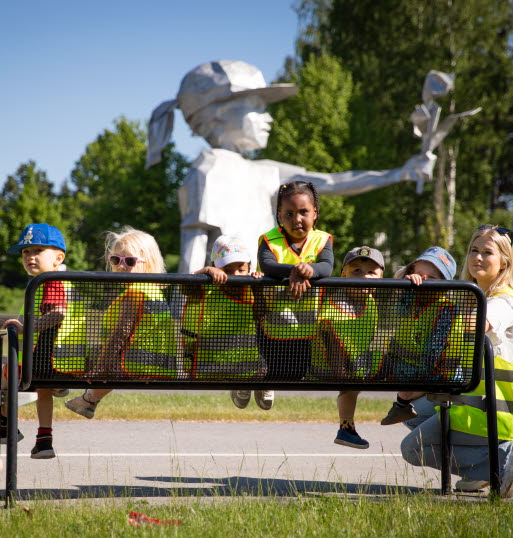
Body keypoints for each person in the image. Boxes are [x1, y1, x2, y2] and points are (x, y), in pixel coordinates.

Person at [145, 61, 476, 274]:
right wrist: (182, 313)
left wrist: (400, 172)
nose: (268, 118)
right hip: (227, 297)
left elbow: (331, 181)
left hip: (264, 295)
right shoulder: (209, 170)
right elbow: (193, 250)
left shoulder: (264, 170)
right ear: (218, 113)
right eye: (257, 107)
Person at [399, 225, 513, 497]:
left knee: (411, 448)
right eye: (474, 250)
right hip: (474, 406)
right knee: (412, 410)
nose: (478, 257)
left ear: (504, 262)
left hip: (499, 414)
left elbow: (472, 325)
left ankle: (499, 462)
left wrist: (438, 307)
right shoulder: (475, 298)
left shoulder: (504, 302)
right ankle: (477, 474)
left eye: (487, 252)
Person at [0, 224, 85, 460]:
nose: (30, 256)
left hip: (45, 363)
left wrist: (26, 328)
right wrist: (7, 323)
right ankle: (44, 440)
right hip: (59, 362)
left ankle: (4, 425)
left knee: (5, 375)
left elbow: (57, 314)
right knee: (42, 390)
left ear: (58, 258)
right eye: (25, 252)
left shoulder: (51, 282)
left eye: (38, 250)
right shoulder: (52, 283)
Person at [64, 227, 175, 419]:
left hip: (134, 363)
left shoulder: (135, 294)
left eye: (129, 261)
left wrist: (101, 366)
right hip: (158, 364)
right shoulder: (153, 291)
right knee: (100, 351)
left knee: (95, 353)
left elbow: (121, 333)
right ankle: (88, 399)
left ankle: (71, 390)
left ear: (149, 263)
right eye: (115, 260)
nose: (121, 266)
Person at [254, 181, 334, 409]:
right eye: (289, 214)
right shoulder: (269, 240)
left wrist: (310, 269)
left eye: (303, 212)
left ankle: (260, 382)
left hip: (305, 327)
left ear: (315, 213)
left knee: (296, 374)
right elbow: (267, 264)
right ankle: (253, 381)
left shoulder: (322, 240)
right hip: (272, 324)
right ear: (279, 215)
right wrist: (295, 271)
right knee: (273, 367)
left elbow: (327, 266)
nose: (297, 219)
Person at [311, 246, 385, 449]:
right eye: (357, 271)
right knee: (388, 364)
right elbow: (333, 345)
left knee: (390, 358)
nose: (364, 277)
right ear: (343, 274)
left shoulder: (370, 303)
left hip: (352, 364)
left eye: (371, 272)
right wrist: (344, 375)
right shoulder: (336, 307)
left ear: (381, 277)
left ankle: (347, 428)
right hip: (329, 367)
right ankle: (347, 426)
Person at [181, 235, 265, 408]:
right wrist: (205, 271)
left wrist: (259, 289)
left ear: (249, 268)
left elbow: (262, 316)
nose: (235, 276)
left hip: (248, 367)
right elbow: (185, 286)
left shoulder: (252, 288)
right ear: (215, 268)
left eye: (241, 269)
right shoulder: (207, 287)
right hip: (210, 365)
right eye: (227, 270)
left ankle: (251, 386)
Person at [379, 246, 457, 424]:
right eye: (419, 275)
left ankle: (402, 403)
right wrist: (406, 288)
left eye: (432, 278)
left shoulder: (445, 308)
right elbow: (397, 312)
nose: (424, 280)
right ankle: (402, 404)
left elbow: (436, 348)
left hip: (431, 372)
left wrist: (423, 376)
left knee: (409, 398)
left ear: (444, 284)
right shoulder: (410, 301)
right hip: (401, 365)